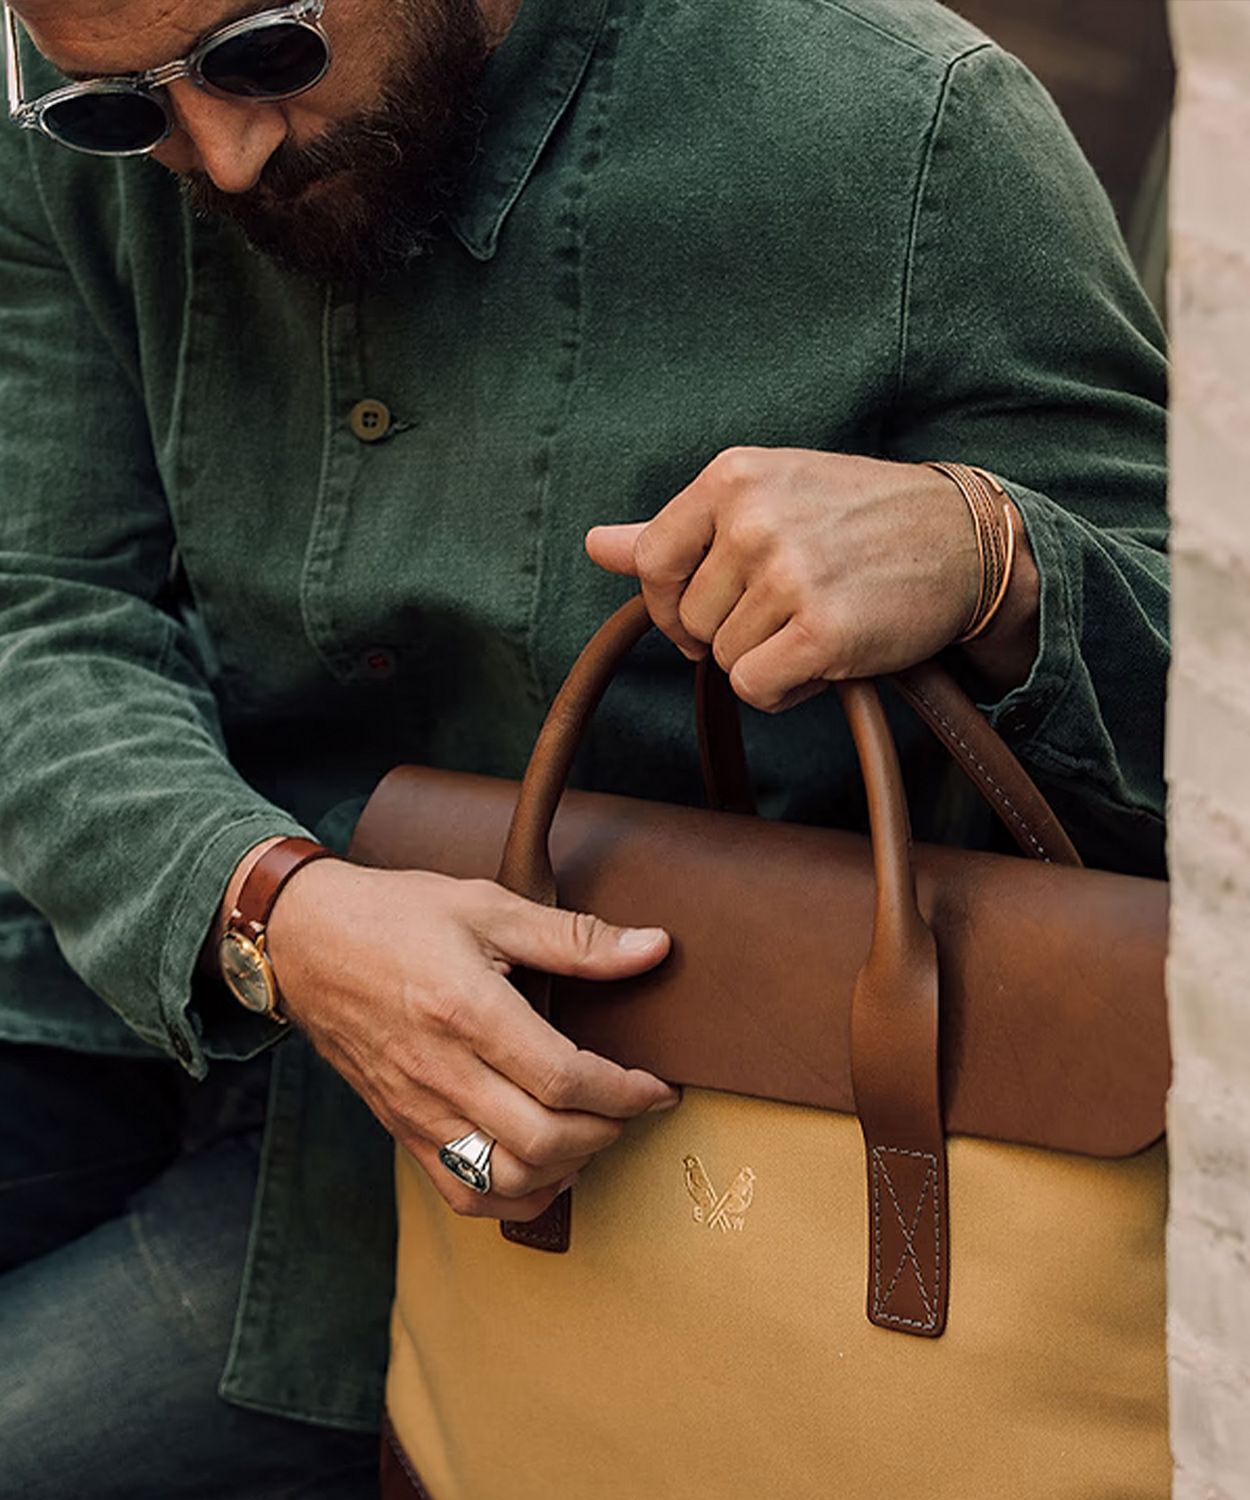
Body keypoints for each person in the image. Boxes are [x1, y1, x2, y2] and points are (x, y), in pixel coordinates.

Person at [0, 0, 1168, 1494]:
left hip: (621, 1170)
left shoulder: (910, 129)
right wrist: (266, 914)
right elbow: (39, 607)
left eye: (265, 53)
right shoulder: (88, 81)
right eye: (118, 112)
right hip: (99, 986)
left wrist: (993, 559)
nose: (219, 159)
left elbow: (1198, 726)